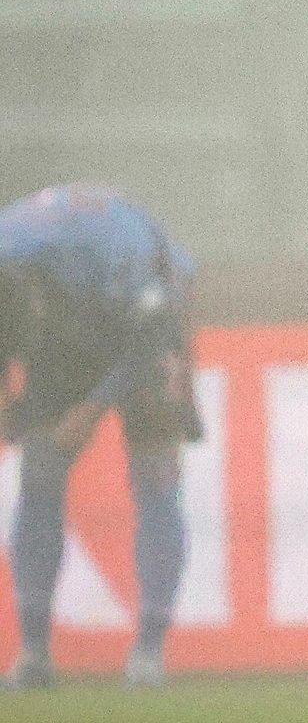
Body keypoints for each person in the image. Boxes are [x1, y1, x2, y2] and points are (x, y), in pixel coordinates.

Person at [0, 184, 198, 690]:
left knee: (156, 479)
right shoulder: (15, 251)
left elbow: (151, 343)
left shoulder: (130, 257)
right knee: (39, 478)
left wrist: (89, 410)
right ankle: (34, 654)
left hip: (145, 336)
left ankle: (149, 651)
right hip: (64, 343)